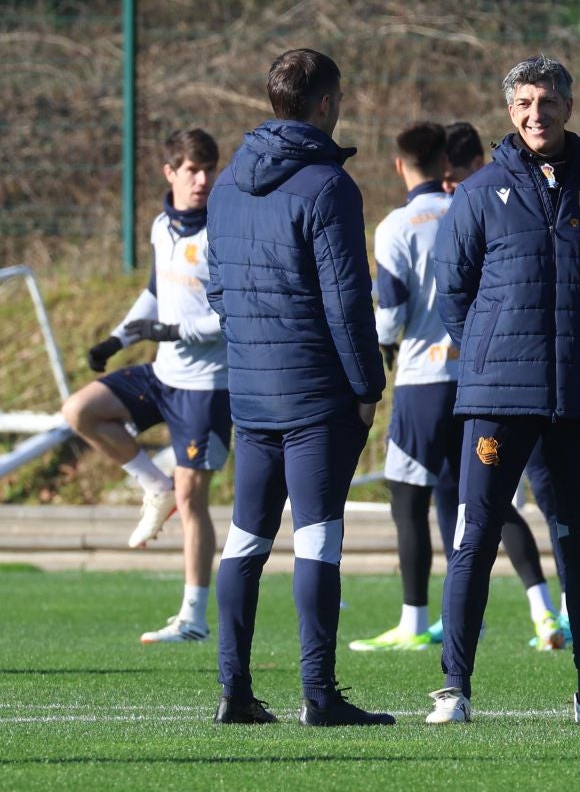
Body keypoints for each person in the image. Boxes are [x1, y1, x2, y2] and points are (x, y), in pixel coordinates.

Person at [424, 55, 580, 725]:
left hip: (578, 395)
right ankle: (454, 689)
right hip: (498, 396)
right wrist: (491, 350)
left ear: (568, 107)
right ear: (509, 110)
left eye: (547, 101)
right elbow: (453, 291)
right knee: (475, 537)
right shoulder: (479, 192)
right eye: (523, 102)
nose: (535, 114)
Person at [204, 48, 392, 727]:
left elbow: (218, 290)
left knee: (245, 541)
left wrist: (253, 347)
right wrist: (367, 384)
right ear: (326, 104)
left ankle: (234, 692)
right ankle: (319, 694)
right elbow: (347, 302)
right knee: (317, 538)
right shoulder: (328, 186)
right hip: (316, 395)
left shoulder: (226, 184)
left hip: (252, 393)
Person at [348, 120, 566, 653]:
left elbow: (391, 312)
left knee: (407, 498)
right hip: (477, 375)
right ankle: (541, 610)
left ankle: (413, 621)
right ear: (445, 163)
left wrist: (378, 347)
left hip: (422, 382)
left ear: (400, 165)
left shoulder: (397, 226)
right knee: (486, 499)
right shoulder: (474, 207)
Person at [62, 128, 229, 645]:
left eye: (209, 169)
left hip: (207, 386)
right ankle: (153, 485)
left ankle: (193, 619)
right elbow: (156, 290)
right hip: (163, 374)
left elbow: (233, 315)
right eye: (192, 170)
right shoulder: (161, 227)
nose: (202, 180)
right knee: (81, 411)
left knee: (193, 497)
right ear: (170, 172)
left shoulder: (223, 232)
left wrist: (172, 332)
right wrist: (117, 339)